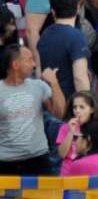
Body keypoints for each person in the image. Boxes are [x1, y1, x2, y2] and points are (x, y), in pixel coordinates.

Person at [0, 46, 64, 175]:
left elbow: (59, 113)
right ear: (15, 65)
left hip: (38, 159)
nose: (34, 65)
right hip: (5, 162)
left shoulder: (38, 86)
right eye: (29, 60)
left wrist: (54, 83)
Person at [37, 0, 90, 99]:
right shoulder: (76, 36)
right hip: (70, 101)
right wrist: (86, 104)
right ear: (77, 9)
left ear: (53, 12)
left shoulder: (45, 34)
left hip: (51, 99)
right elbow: (79, 78)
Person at [56, 90, 98, 165]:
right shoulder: (66, 126)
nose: (77, 111)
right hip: (69, 168)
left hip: (90, 167)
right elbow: (62, 154)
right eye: (74, 107)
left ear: (92, 109)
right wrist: (70, 132)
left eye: (82, 107)